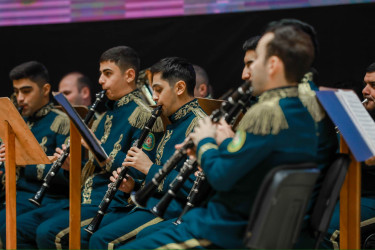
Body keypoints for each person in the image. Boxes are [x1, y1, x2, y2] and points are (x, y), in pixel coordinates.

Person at [119, 22, 323, 249]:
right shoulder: (302, 111)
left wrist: (206, 142)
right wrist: (226, 143)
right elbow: (253, 168)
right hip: (254, 225)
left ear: (272, 64)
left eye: (255, 62)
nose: (246, 73)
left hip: (225, 229)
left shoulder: (267, 115)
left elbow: (221, 178)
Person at [14, 46, 164, 249]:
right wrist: (70, 165)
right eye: (100, 74)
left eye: (107, 74)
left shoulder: (144, 116)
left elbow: (139, 171)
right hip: (84, 198)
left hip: (113, 203)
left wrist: (98, 149)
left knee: (49, 233)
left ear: (129, 75)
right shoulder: (107, 114)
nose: (101, 80)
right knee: (24, 228)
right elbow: (91, 166)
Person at [86, 57, 206, 249]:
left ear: (180, 88)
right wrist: (133, 185)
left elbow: (195, 189)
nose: (155, 97)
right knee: (97, 237)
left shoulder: (201, 126)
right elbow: (157, 174)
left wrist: (148, 168)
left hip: (174, 210)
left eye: (158, 90)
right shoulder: (172, 120)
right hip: (149, 205)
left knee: (101, 241)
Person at [0, 61, 70, 247]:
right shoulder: (15, 121)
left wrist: (22, 161)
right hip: (14, 196)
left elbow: (67, 175)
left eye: (26, 91)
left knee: (6, 225)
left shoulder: (62, 122)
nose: (20, 98)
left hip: (47, 200)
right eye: (16, 92)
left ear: (45, 89)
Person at [324, 62, 375, 249]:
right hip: (350, 191)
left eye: (374, 86)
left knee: (325, 231)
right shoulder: (364, 116)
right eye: (365, 84)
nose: (364, 90)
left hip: (370, 197)